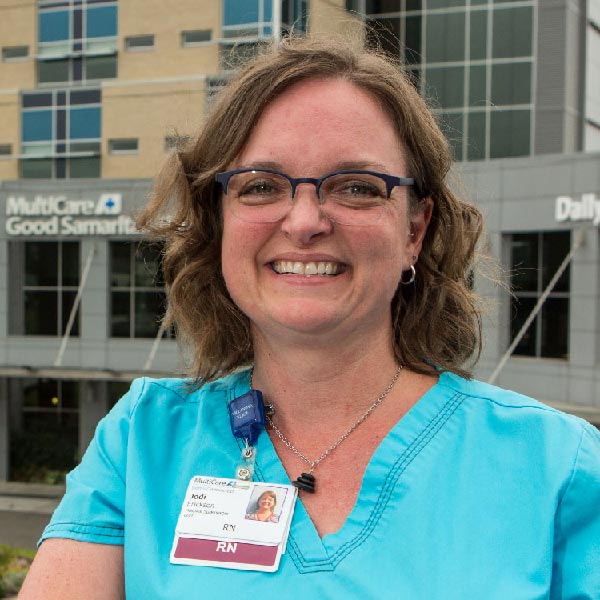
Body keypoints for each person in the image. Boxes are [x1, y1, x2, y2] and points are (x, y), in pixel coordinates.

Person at [21, 36, 600, 599]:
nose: (304, 221)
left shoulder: (556, 467)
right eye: (261, 186)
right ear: (218, 222)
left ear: (414, 232)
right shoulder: (141, 443)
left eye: (356, 187)